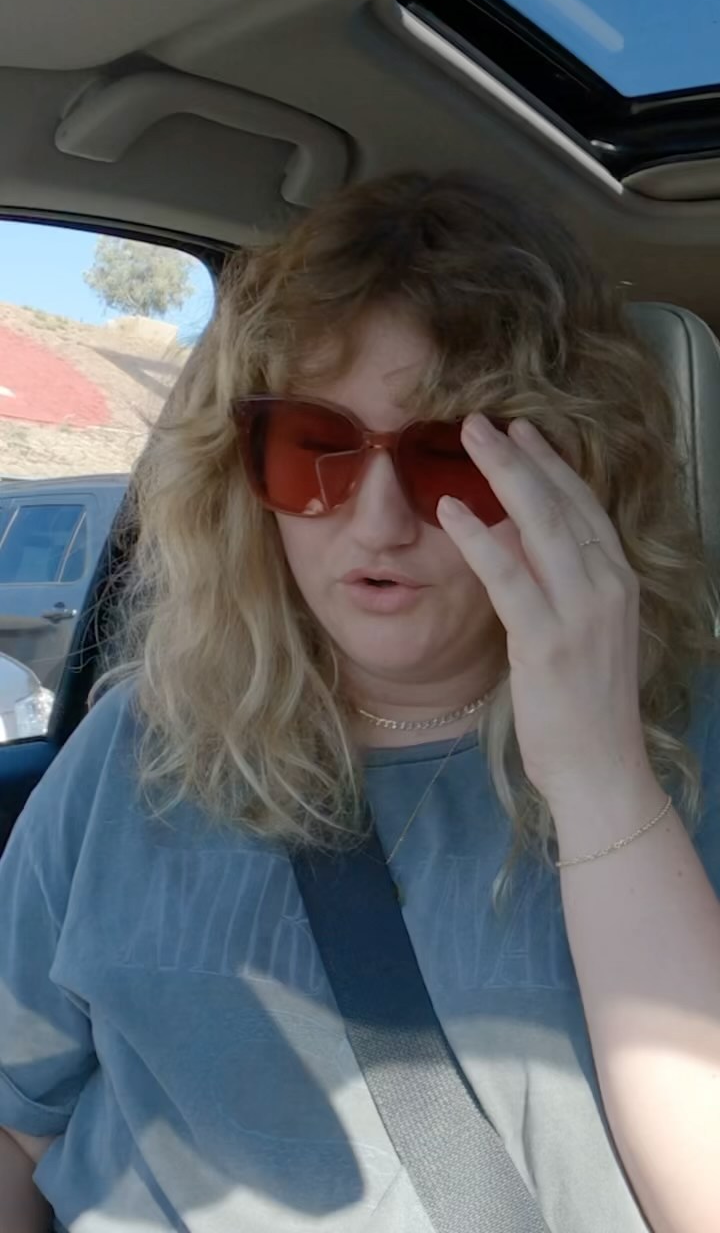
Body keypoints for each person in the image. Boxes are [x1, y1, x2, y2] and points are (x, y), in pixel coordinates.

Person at [1, 171, 719, 1233]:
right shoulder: (136, 743)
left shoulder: (685, 750)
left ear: (576, 479)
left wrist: (601, 775)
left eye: (452, 456)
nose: (378, 521)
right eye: (315, 447)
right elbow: (16, 1121)